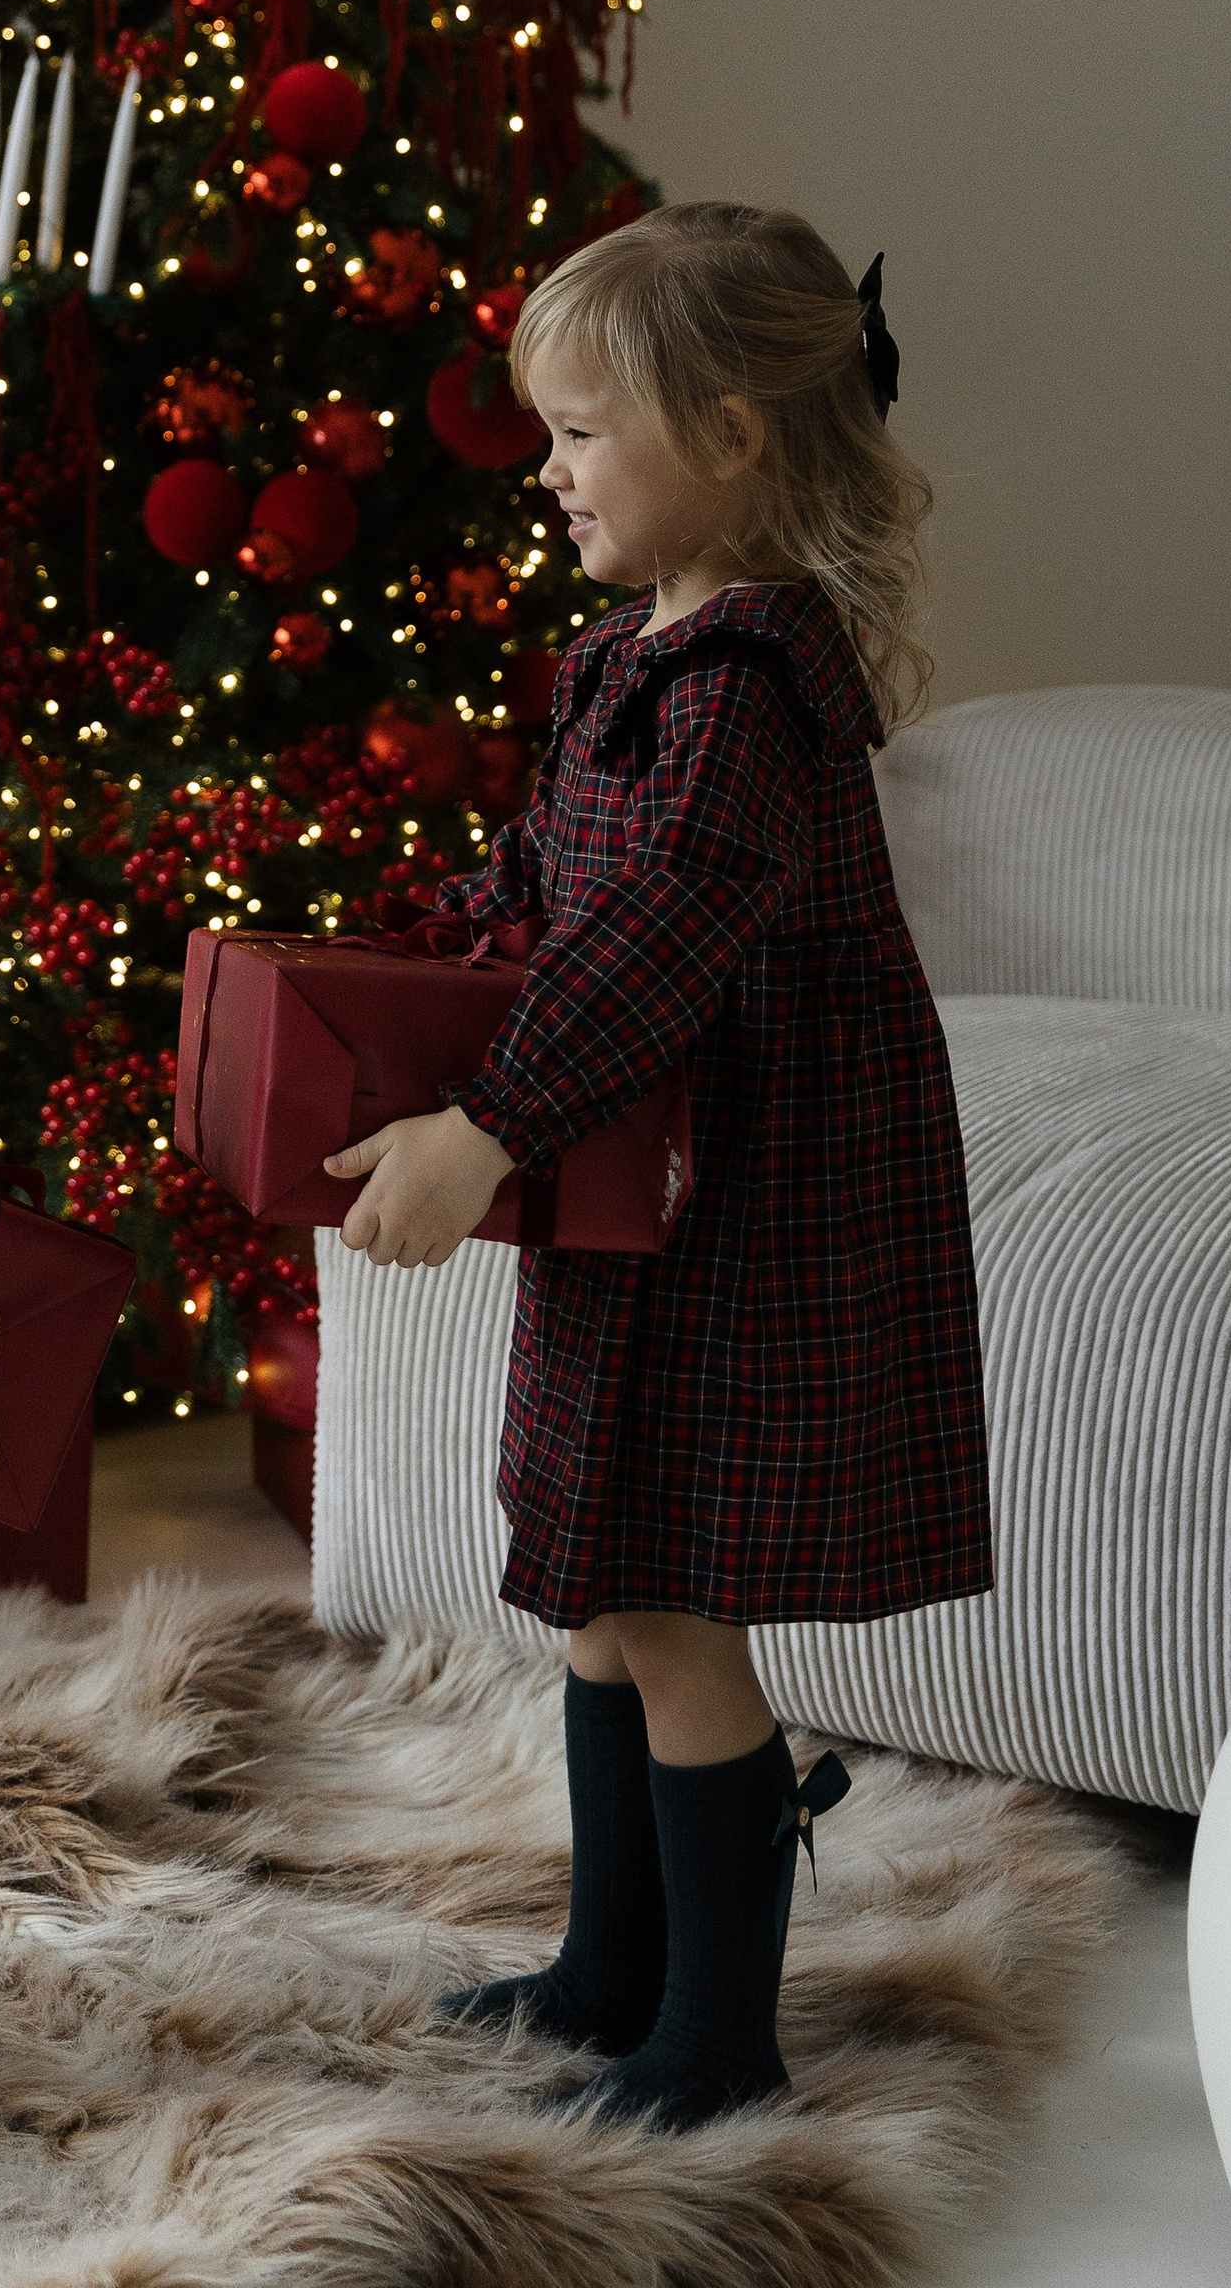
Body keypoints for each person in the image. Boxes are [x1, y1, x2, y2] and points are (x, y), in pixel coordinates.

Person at [326, 200, 994, 2130]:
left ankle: (720, 2039)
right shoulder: (629, 658)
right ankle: (610, 1966)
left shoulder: (754, 688)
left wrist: (489, 1124)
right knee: (606, 1586)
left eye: (582, 432)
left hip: (759, 1198)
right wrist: (412, 952)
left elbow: (657, 936)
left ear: (732, 435)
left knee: (687, 1606)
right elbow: (551, 885)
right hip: (648, 1187)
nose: (549, 473)